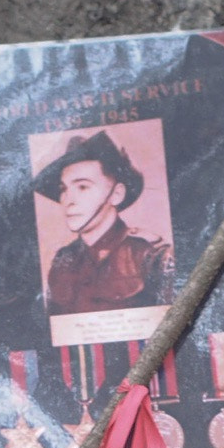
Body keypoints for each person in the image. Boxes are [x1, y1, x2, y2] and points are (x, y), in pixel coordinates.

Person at [32, 130, 175, 315]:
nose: (68, 199)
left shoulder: (150, 255)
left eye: (82, 186)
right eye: (63, 189)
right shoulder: (63, 260)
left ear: (116, 194)